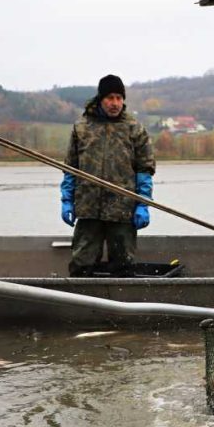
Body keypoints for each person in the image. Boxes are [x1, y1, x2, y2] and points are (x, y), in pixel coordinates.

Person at [60, 74, 155, 277]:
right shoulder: (82, 128)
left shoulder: (135, 129)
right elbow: (71, 169)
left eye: (119, 98)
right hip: (88, 208)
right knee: (81, 265)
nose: (115, 103)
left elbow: (145, 170)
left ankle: (121, 296)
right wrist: (67, 201)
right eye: (110, 98)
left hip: (122, 211)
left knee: (123, 268)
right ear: (100, 99)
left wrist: (143, 203)